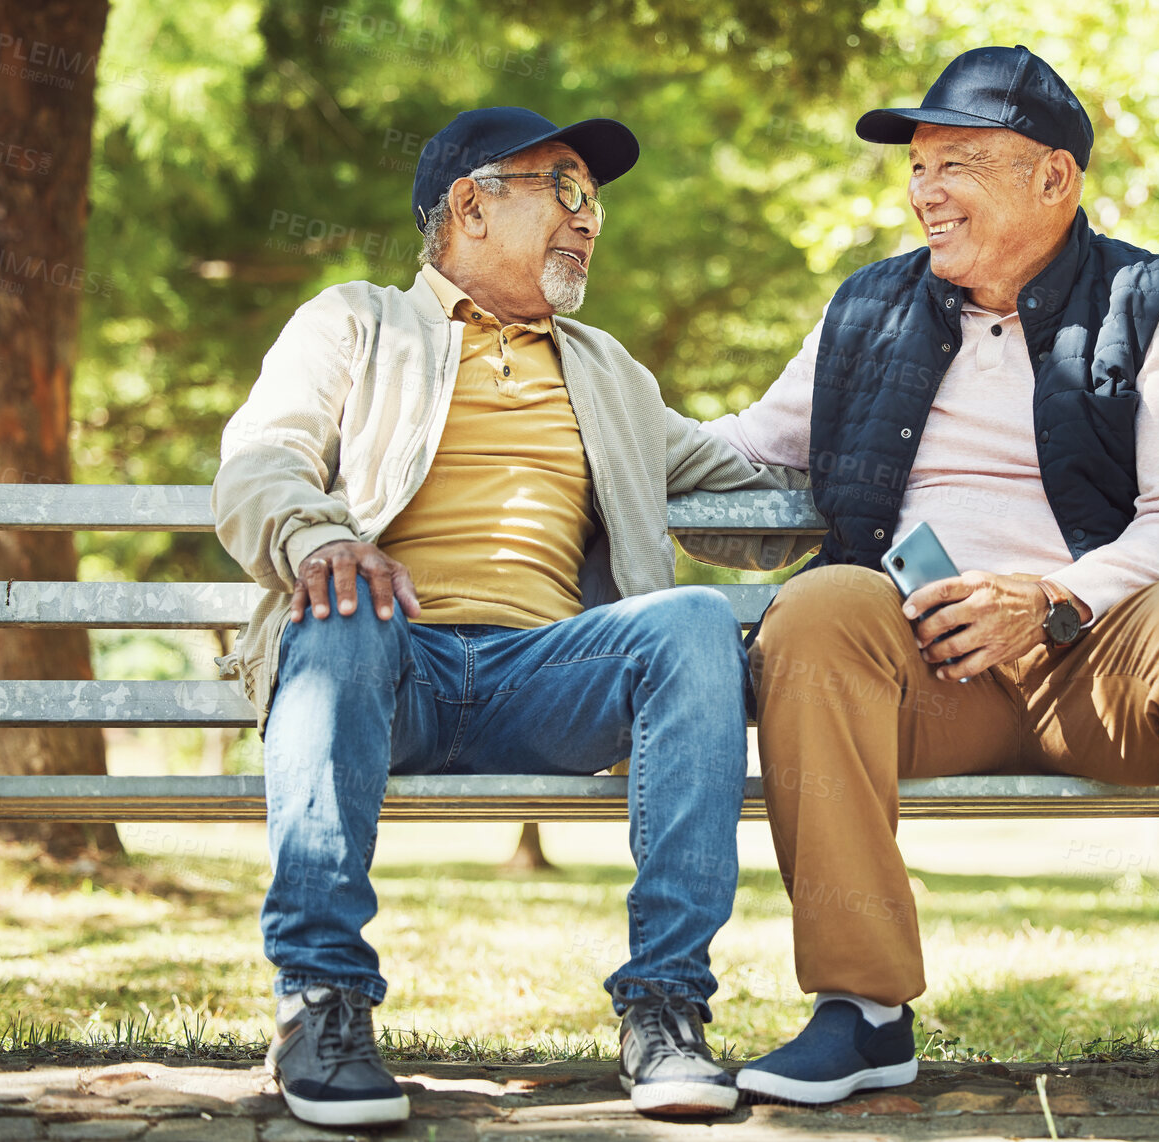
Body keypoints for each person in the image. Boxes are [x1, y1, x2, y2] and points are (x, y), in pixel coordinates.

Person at [701, 46, 1159, 1118]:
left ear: (1054, 179)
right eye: (915, 168)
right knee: (815, 609)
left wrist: (1046, 600)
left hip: (1099, 669)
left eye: (955, 162)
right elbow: (740, 446)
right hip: (921, 671)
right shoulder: (865, 309)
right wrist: (575, 417)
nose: (923, 192)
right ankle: (859, 1011)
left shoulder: (1155, 300)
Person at [214, 106, 803, 1127]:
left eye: (594, 200)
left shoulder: (609, 371)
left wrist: (884, 396)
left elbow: (755, 498)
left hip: (544, 677)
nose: (589, 218)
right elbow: (259, 462)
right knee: (344, 603)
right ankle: (321, 1000)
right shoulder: (354, 321)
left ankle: (665, 1007)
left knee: (696, 619)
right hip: (380, 663)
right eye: (563, 188)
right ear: (469, 206)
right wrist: (317, 539)